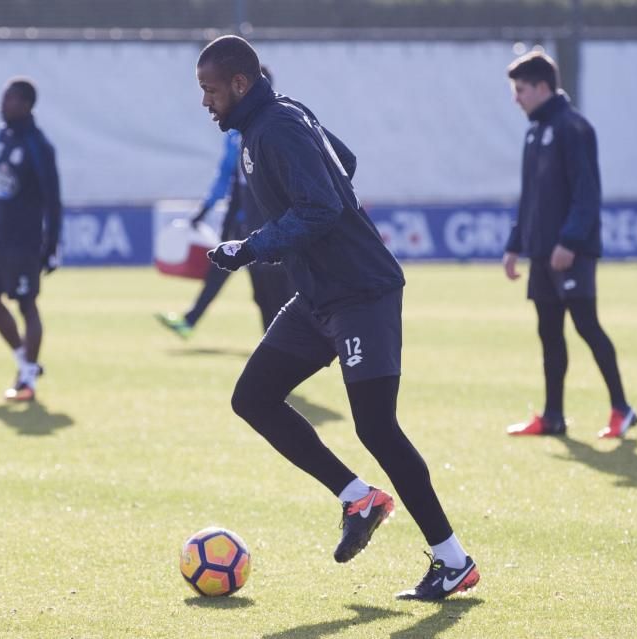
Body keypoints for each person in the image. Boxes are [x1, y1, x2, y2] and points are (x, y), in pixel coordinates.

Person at [196, 35, 479, 601]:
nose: (205, 102)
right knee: (252, 397)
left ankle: (454, 560)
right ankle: (357, 497)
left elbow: (322, 205)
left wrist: (252, 246)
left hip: (361, 292)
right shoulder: (278, 118)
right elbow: (342, 163)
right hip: (318, 294)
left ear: (240, 84)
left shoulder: (276, 126)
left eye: (209, 90)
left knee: (376, 426)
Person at [501, 52, 637, 439]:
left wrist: (570, 241)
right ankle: (553, 416)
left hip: (569, 252)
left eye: (521, 90)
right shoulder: (534, 131)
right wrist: (514, 245)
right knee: (549, 332)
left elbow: (587, 194)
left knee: (586, 326)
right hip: (543, 252)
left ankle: (622, 409)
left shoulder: (573, 127)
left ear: (543, 87)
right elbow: (530, 197)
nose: (517, 99)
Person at [157, 67, 293, 339]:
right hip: (244, 219)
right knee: (251, 283)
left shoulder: (278, 128)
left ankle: (290, 342)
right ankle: (275, 344)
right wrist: (208, 211)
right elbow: (228, 180)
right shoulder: (237, 135)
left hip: (270, 224)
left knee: (275, 287)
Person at [0, 77, 62, 402]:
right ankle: (27, 363)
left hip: (24, 242)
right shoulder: (3, 137)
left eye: (8, 99)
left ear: (25, 105)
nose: (2, 104)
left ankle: (27, 382)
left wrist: (51, 245)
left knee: (26, 305)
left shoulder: (38, 145)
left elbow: (53, 199)